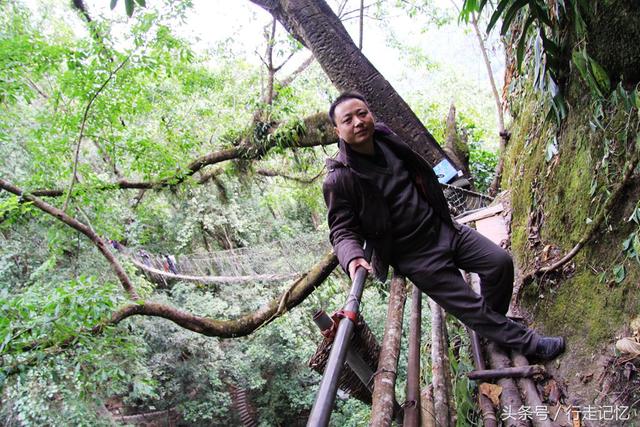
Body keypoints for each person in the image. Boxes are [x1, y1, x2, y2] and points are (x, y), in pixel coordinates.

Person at [322, 92, 565, 360]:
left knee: (500, 263)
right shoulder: (339, 179)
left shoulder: (385, 138)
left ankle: (495, 329)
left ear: (371, 114)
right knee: (471, 306)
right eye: (348, 119)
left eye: (362, 113)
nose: (358, 122)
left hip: (443, 227)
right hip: (415, 256)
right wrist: (353, 257)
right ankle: (530, 345)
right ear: (338, 130)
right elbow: (341, 229)